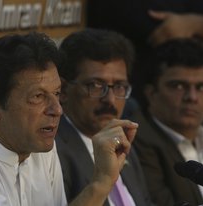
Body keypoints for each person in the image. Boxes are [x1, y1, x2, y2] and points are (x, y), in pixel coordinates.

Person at [0, 32, 133, 206]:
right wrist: (101, 182)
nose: (57, 110)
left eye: (56, 94)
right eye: (38, 97)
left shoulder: (38, 145)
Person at [55, 28, 153, 206]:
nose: (110, 99)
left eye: (119, 86)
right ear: (63, 89)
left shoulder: (123, 141)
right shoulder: (53, 152)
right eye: (96, 85)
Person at [131, 38, 203, 206]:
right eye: (178, 86)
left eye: (201, 87)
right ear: (151, 93)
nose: (192, 97)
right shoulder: (136, 140)